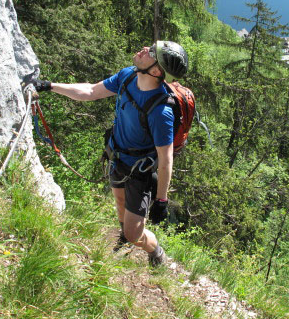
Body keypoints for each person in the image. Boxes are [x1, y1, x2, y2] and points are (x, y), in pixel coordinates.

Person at [33, 41, 188, 267]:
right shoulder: (128, 76)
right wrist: (49, 85)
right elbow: (91, 91)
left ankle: (155, 251)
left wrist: (161, 201)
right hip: (117, 155)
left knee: (136, 233)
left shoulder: (161, 111)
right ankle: (124, 237)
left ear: (155, 71)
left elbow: (165, 161)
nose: (145, 49)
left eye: (152, 52)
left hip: (139, 171)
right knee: (119, 200)